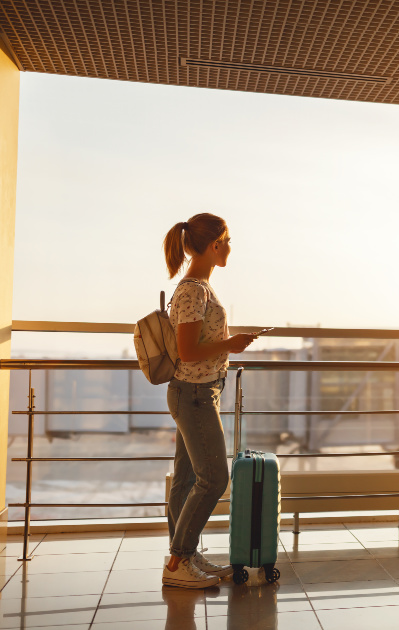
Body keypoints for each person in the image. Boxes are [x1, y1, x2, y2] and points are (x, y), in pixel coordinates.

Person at [160, 213, 257, 588]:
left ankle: (184, 555)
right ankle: (178, 562)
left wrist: (229, 346)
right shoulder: (193, 290)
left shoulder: (198, 286)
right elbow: (187, 350)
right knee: (215, 478)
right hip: (194, 395)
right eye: (227, 240)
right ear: (215, 244)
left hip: (200, 393)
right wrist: (231, 344)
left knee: (185, 481)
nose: (230, 247)